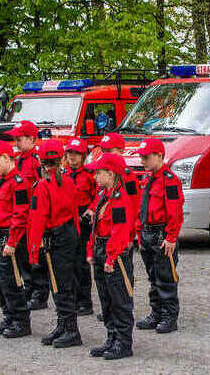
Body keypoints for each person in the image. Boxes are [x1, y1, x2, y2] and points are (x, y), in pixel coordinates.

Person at [27, 140, 81, 348]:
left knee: (59, 284)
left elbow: (37, 218)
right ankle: (63, 324)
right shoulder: (67, 180)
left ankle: (70, 329)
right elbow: (74, 210)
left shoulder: (43, 185)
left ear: (41, 162)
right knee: (63, 282)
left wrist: (33, 251)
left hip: (55, 237)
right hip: (67, 234)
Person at [0, 140, 32, 339]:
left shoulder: (18, 184)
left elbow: (20, 215)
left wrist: (12, 241)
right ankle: (8, 316)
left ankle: (20, 320)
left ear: (5, 158)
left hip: (6, 241)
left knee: (12, 282)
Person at [87, 153, 137, 360]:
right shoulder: (103, 196)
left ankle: (123, 342)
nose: (95, 177)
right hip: (101, 249)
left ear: (111, 173)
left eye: (99, 173)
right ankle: (112, 337)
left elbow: (120, 231)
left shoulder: (120, 199)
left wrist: (111, 257)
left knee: (119, 298)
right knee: (106, 298)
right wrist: (91, 250)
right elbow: (96, 228)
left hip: (113, 253)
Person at [136, 137, 184, 334]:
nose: (143, 161)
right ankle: (156, 313)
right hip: (148, 233)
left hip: (161, 234)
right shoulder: (148, 179)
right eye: (142, 157)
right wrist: (139, 234)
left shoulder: (170, 181)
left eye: (146, 157)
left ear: (159, 156)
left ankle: (169, 317)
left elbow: (175, 211)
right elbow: (142, 209)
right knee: (153, 277)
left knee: (166, 277)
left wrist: (171, 237)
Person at [7, 120, 49, 311]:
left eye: (19, 138)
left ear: (31, 139)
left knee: (37, 254)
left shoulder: (36, 161)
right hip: (23, 213)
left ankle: (40, 293)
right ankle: (29, 287)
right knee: (24, 252)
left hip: (35, 213)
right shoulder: (19, 160)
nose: (15, 142)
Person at [63, 138, 95, 316]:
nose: (72, 157)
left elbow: (97, 196)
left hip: (83, 222)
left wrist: (90, 209)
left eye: (76, 153)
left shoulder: (90, 175)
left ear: (83, 156)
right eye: (70, 153)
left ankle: (85, 301)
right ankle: (73, 297)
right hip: (67, 221)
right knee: (69, 262)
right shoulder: (64, 175)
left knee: (81, 262)